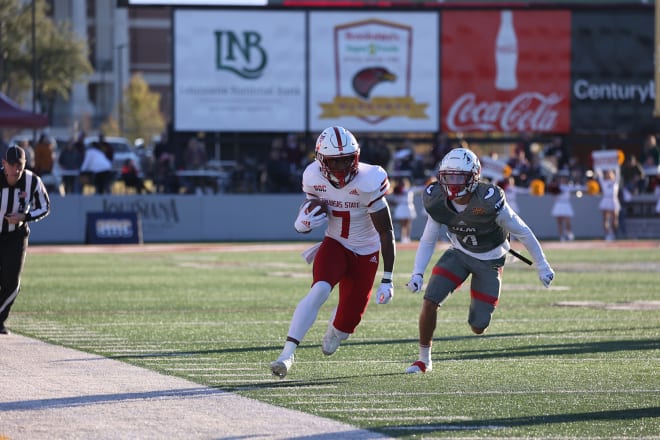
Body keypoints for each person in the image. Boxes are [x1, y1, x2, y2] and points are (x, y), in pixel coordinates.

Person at [403, 148, 554, 374]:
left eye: (458, 177)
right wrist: (417, 273)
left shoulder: (489, 200)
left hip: (489, 260)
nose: (452, 183)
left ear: (473, 177)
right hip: (459, 253)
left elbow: (523, 232)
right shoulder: (436, 199)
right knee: (429, 300)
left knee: (478, 326)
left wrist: (542, 265)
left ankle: (481, 293)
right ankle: (424, 360)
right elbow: (428, 239)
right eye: (448, 176)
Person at [270, 126, 396, 378]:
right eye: (334, 161)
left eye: (346, 160)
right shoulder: (312, 176)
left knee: (345, 327)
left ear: (356, 157)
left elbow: (386, 232)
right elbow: (311, 210)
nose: (340, 166)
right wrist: (301, 224)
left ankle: (337, 328)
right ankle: (287, 354)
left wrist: (388, 278)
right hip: (335, 243)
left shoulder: (370, 179)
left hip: (366, 252)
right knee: (320, 290)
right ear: (321, 160)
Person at [0, 145, 51, 334]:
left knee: (11, 283)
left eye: (19, 165)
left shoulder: (32, 181)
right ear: (4, 164)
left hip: (16, 236)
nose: (16, 170)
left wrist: (24, 217)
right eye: (11, 165)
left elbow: (45, 207)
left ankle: (0, 319)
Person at [389, 177, 418, 243]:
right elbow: (395, 200)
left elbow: (417, 189)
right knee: (402, 224)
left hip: (408, 206)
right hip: (401, 207)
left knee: (408, 223)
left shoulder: (409, 189)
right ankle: (403, 237)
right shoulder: (397, 191)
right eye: (401, 182)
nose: (402, 183)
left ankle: (407, 237)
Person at [595, 168, 620, 241]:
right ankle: (607, 234)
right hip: (606, 200)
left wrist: (616, 165)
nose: (608, 174)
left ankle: (613, 233)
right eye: (607, 173)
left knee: (614, 218)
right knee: (605, 218)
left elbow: (618, 173)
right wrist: (598, 166)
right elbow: (599, 174)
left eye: (610, 173)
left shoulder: (615, 182)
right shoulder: (604, 182)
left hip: (613, 200)